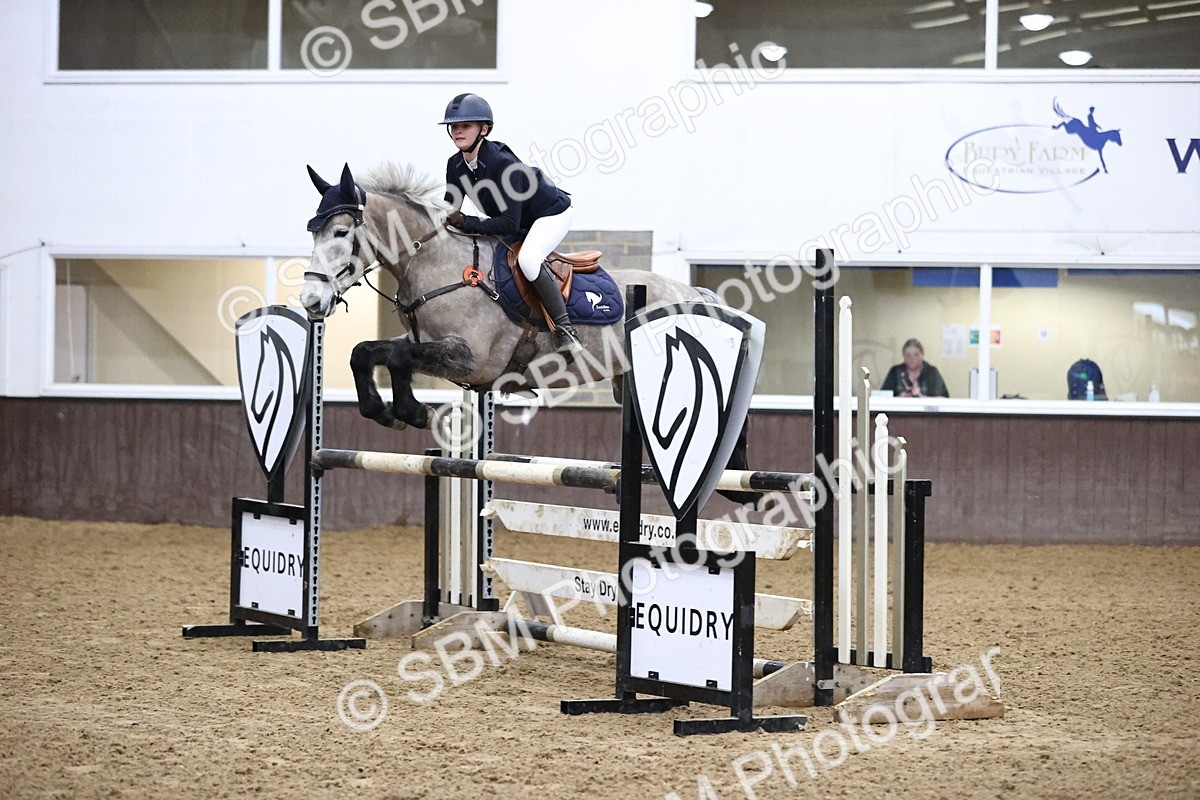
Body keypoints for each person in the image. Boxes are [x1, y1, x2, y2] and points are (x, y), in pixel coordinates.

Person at [438, 93, 582, 357]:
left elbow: (508, 223)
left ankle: (566, 329)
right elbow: (450, 209)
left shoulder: (503, 164)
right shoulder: (455, 165)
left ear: (484, 129)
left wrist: (468, 221)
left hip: (550, 214)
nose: (458, 130)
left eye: (466, 125)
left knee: (528, 259)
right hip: (517, 221)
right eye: (454, 126)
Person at [881, 339, 949, 398]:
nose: (912, 358)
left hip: (926, 413)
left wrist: (922, 397)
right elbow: (881, 398)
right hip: (900, 412)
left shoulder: (932, 372)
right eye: (908, 355)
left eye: (916, 355)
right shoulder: (895, 372)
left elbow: (944, 399)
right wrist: (899, 398)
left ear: (922, 355)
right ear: (903, 356)